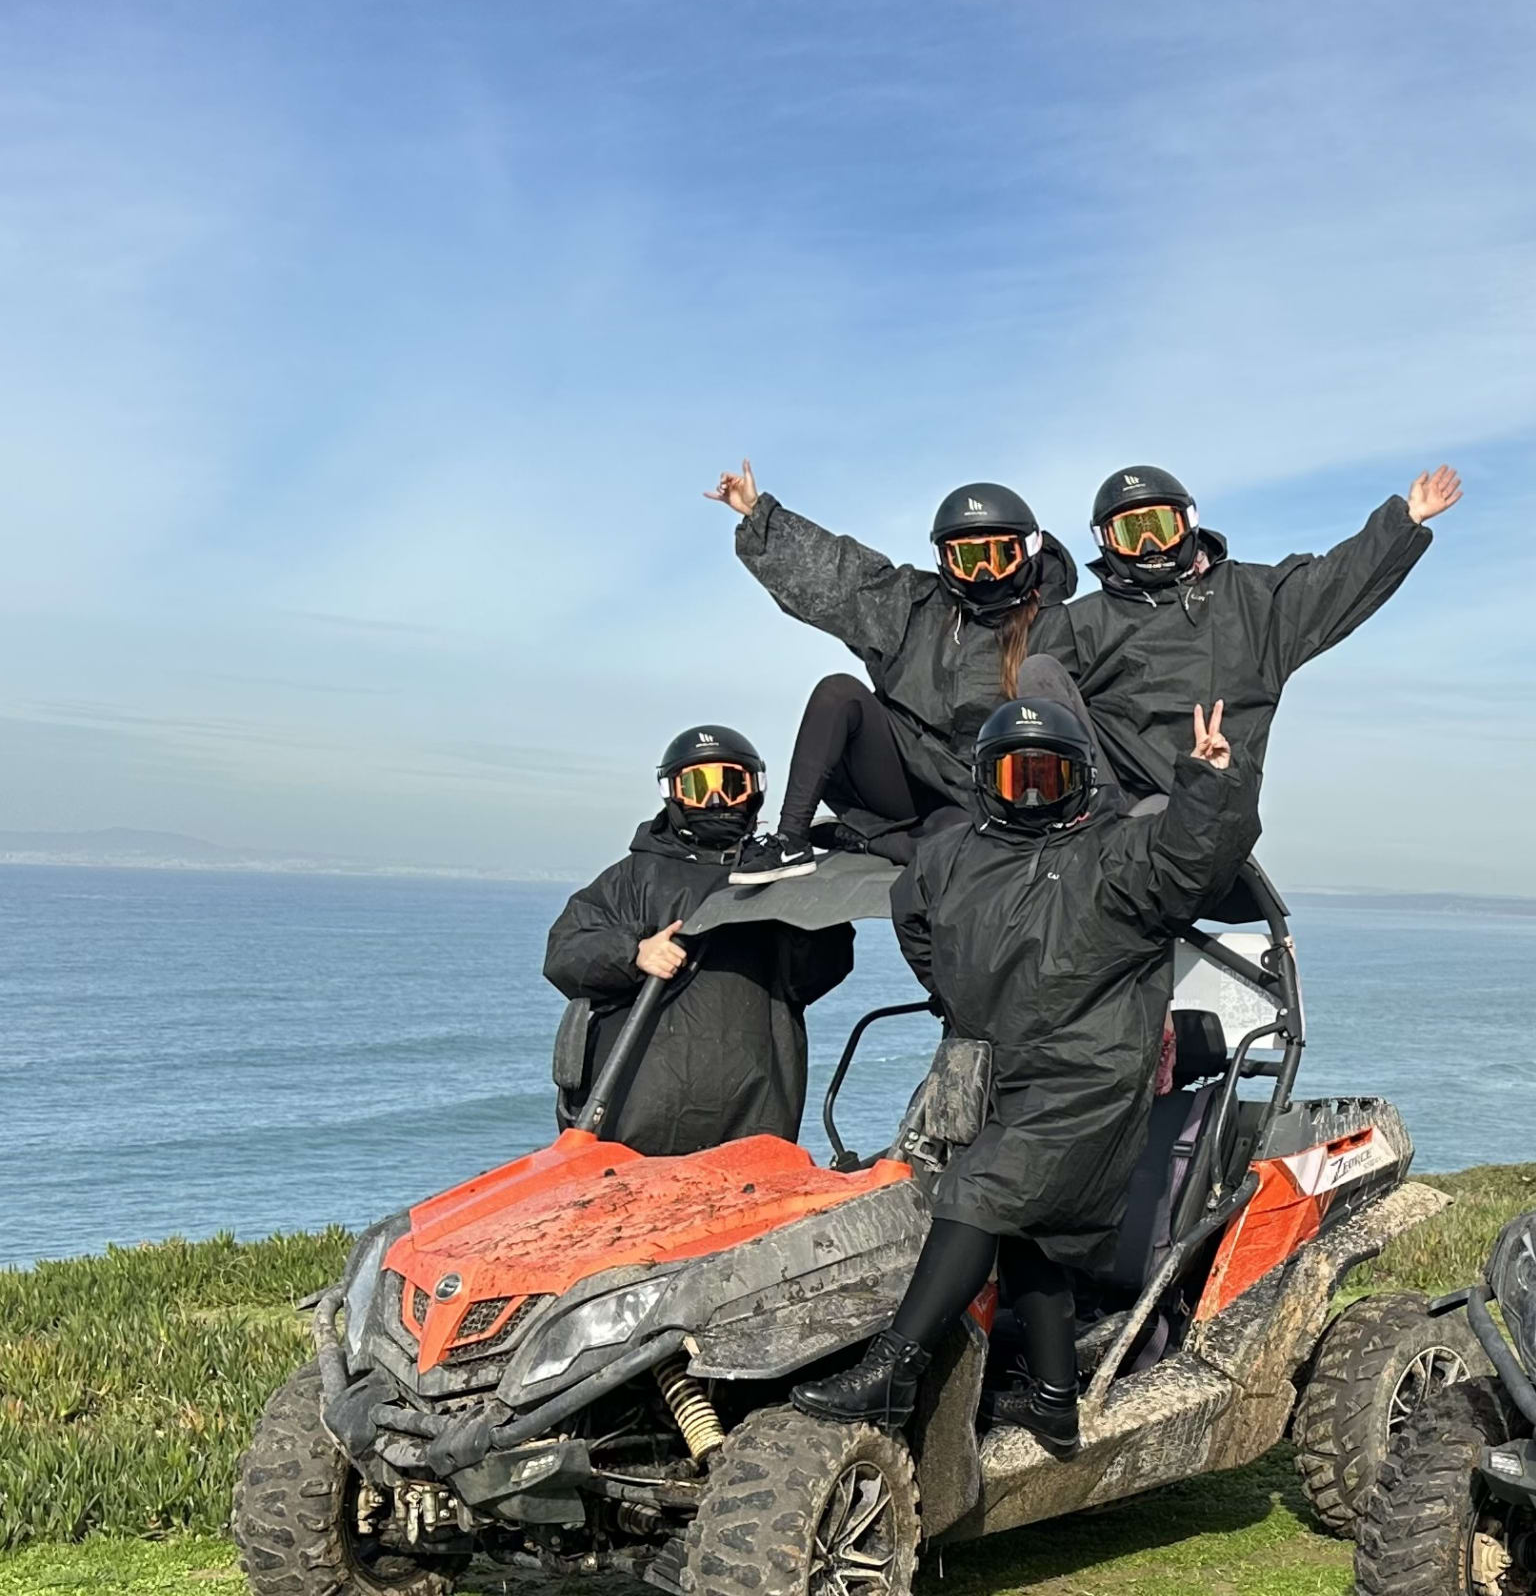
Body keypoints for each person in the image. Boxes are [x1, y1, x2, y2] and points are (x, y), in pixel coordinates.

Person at [791, 696, 1261, 1458]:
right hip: (1003, 1071)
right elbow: (913, 914)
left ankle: (893, 1371)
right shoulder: (955, 854)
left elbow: (1193, 862)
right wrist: (955, 997)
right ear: (988, 780)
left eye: (1050, 776)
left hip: (1089, 1078)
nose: (1034, 793)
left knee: (979, 1194)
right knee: (1029, 1230)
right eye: (1017, 777)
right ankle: (1054, 1400)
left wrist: (1208, 784)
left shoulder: (1118, 853)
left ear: (1079, 780)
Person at [705, 462, 1087, 879]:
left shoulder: (1054, 627)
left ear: (1028, 552)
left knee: (966, 847)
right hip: (900, 777)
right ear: (944, 561)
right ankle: (790, 841)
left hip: (978, 797)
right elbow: (841, 579)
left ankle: (872, 840)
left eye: (999, 556)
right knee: (838, 692)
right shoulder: (917, 606)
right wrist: (760, 515)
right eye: (967, 558)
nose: (983, 572)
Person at [1056, 461, 1460, 802]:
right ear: (1105, 542)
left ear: (1189, 523)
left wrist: (1405, 520)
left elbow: (1331, 583)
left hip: (1212, 815)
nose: (1150, 545)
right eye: (1131, 533)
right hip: (1114, 827)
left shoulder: (1247, 603)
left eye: (1161, 526)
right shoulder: (1081, 625)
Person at [542, 724, 858, 1155]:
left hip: (752, 1119)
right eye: (696, 786)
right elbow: (564, 950)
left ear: (754, 790)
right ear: (672, 793)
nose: (715, 800)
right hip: (634, 1125)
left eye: (730, 784)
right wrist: (635, 953)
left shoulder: (779, 878)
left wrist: (813, 913)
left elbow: (814, 977)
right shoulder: (633, 878)